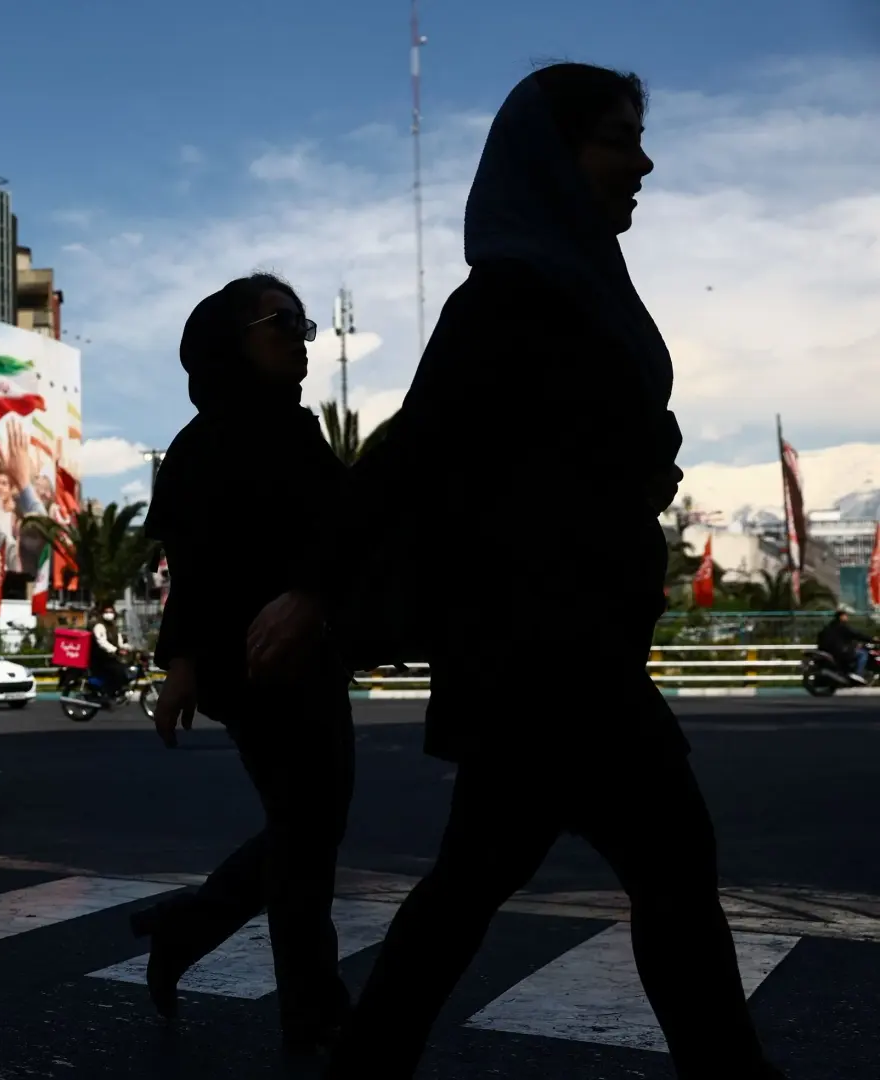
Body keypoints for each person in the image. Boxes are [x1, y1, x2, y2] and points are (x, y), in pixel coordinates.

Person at [321, 65, 787, 1080]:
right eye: (618, 140)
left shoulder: (573, 287)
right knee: (669, 870)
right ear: (551, 158)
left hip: (559, 648)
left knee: (476, 881)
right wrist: (311, 593)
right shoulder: (510, 296)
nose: (642, 163)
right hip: (546, 650)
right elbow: (411, 455)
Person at [134, 274, 354, 1055]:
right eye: (279, 322)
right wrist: (183, 664)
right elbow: (193, 571)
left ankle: (186, 930)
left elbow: (340, 535)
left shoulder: (295, 432)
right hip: (251, 665)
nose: (299, 336)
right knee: (307, 831)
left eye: (303, 324)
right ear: (231, 340)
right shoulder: (204, 446)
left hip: (311, 654)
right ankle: (313, 1015)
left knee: (309, 826)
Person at [818, 609, 874, 678]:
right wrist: (872, 639)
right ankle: (858, 675)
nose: (847, 617)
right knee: (863, 654)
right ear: (841, 617)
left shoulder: (829, 626)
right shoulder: (843, 627)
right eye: (845, 616)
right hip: (841, 652)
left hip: (829, 652)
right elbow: (857, 634)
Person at [89, 606, 129, 699]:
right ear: (102, 614)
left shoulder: (113, 627)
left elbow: (119, 642)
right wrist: (115, 650)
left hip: (110, 657)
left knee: (125, 667)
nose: (109, 614)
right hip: (100, 657)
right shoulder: (99, 626)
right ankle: (109, 693)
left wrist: (130, 647)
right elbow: (102, 642)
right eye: (106, 612)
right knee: (118, 670)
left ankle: (116, 691)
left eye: (111, 612)